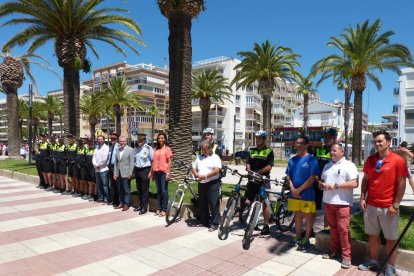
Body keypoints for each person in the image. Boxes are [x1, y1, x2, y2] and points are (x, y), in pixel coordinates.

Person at [358, 130, 407, 275]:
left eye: (380, 141)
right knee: (373, 235)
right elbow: (366, 180)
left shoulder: (398, 160)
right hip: (371, 205)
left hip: (388, 207)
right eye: (375, 141)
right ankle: (374, 262)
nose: (377, 144)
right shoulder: (371, 160)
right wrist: (362, 197)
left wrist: (395, 205)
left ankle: (391, 267)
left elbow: (401, 184)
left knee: (391, 238)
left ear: (389, 142)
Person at [319, 143, 358, 269]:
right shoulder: (327, 165)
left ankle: (347, 256)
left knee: (343, 230)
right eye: (331, 151)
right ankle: (334, 251)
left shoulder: (349, 165)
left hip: (343, 204)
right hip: (328, 202)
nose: (332, 153)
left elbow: (354, 183)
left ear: (342, 152)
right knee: (333, 228)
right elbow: (324, 181)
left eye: (335, 150)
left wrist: (336, 186)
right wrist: (321, 185)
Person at [286, 135, 320, 251]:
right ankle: (298, 236)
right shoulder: (292, 160)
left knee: (308, 216)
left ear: (306, 145)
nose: (298, 145)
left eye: (301, 143)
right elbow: (288, 176)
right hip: (294, 194)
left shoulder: (312, 160)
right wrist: (292, 189)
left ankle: (306, 239)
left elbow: (312, 178)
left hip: (307, 195)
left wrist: (298, 190)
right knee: (297, 215)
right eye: (297, 143)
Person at [245, 130, 274, 235]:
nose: (257, 140)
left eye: (259, 138)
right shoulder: (251, 150)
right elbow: (248, 162)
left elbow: (269, 166)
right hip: (252, 179)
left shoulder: (269, 151)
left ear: (264, 139)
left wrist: (258, 172)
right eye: (256, 138)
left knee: (265, 203)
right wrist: (249, 169)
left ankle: (266, 226)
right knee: (250, 200)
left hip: (264, 180)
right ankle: (253, 222)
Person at [192, 140, 222, 231]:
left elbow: (217, 170)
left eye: (205, 149)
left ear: (210, 149)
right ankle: (205, 221)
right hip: (202, 184)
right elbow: (194, 168)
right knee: (203, 203)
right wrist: (196, 174)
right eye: (202, 149)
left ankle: (214, 224)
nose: (203, 151)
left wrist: (205, 176)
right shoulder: (199, 157)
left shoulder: (215, 157)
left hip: (212, 183)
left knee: (213, 204)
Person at [314, 127, 338, 231]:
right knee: (312, 209)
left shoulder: (338, 151)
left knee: (328, 210)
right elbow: (314, 166)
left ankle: (327, 232)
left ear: (335, 138)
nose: (327, 139)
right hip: (317, 183)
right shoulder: (318, 149)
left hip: (330, 186)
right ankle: (309, 230)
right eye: (325, 137)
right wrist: (316, 178)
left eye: (330, 137)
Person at [149, 133, 173, 217]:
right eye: (159, 138)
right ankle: (158, 208)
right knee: (158, 191)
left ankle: (164, 209)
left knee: (164, 191)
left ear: (165, 139)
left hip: (163, 172)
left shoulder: (167, 149)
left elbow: (170, 162)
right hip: (156, 172)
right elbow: (153, 161)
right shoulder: (156, 149)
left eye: (162, 138)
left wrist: (168, 173)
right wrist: (151, 172)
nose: (160, 140)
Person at [113, 136, 135, 211]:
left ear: (126, 141)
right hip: (119, 173)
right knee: (120, 189)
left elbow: (132, 163)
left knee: (126, 190)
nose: (122, 142)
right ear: (119, 142)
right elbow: (116, 163)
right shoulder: (117, 150)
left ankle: (126, 204)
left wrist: (130, 173)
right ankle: (121, 203)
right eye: (121, 141)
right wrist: (115, 173)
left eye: (123, 141)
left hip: (126, 173)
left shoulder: (130, 150)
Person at [133, 133, 153, 214]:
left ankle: (144, 208)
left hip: (145, 170)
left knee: (144, 190)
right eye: (138, 140)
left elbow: (153, 161)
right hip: (137, 170)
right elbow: (135, 160)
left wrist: (151, 172)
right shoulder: (136, 148)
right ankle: (140, 205)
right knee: (139, 189)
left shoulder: (148, 148)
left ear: (145, 140)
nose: (139, 141)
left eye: (141, 140)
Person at [92, 135, 110, 203]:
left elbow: (104, 159)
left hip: (103, 169)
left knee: (105, 185)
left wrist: (98, 165)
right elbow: (94, 157)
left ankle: (106, 198)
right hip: (97, 169)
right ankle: (100, 197)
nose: (100, 141)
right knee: (99, 184)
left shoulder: (106, 147)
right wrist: (95, 164)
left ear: (104, 140)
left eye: (101, 139)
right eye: (99, 139)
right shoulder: (96, 148)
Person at [107, 132, 120, 206]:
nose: (112, 140)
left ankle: (117, 201)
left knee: (116, 184)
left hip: (116, 167)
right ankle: (112, 200)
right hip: (110, 167)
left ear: (117, 139)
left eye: (114, 138)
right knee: (112, 184)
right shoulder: (111, 147)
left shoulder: (118, 147)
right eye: (111, 138)